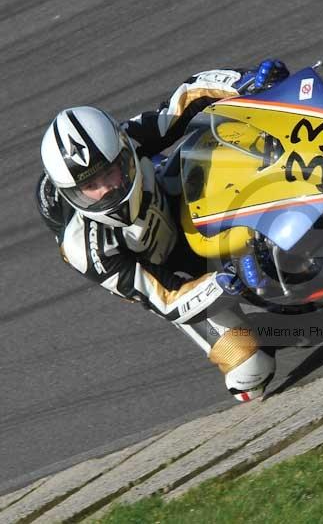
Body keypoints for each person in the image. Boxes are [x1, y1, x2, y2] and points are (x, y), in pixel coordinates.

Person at [36, 60, 289, 402]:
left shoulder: (129, 138)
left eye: (109, 173)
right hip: (175, 277)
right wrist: (228, 280)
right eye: (90, 187)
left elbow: (185, 100)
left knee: (223, 134)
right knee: (250, 371)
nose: (106, 190)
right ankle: (267, 325)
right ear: (72, 194)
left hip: (178, 201)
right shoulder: (86, 249)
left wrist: (244, 82)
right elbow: (166, 300)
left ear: (123, 153)